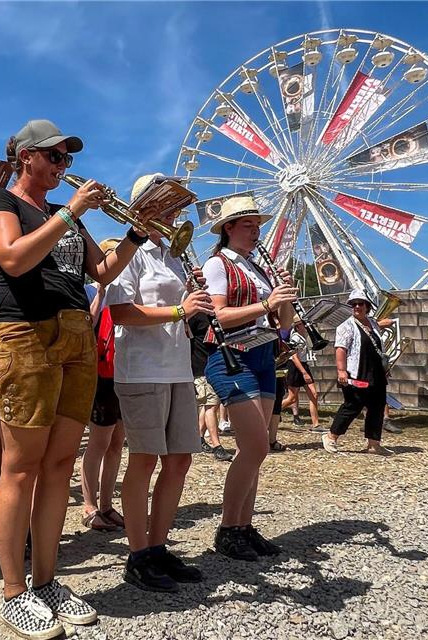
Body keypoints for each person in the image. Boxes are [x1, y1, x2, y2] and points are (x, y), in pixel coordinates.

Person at [0, 119, 150, 639]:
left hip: (75, 334)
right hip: (25, 333)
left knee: (57, 465)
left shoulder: (62, 214)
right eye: (53, 156)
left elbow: (103, 272)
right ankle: (14, 590)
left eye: (66, 158)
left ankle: (47, 581)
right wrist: (71, 212)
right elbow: (12, 258)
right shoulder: (0, 203)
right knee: (21, 467)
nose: (62, 165)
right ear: (25, 156)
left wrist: (137, 233)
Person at [107, 177, 214, 592]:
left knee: (180, 460)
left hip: (177, 367)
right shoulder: (129, 251)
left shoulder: (175, 254)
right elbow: (121, 312)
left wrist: (192, 299)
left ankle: (157, 546)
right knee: (145, 460)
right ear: (145, 208)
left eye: (176, 209)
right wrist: (179, 309)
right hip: (143, 369)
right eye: (167, 208)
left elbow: (180, 309)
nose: (174, 216)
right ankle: (138, 556)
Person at [201, 195, 298, 562]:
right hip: (231, 354)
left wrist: (285, 298)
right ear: (228, 228)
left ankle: (243, 526)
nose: (256, 231)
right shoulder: (217, 264)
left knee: (255, 451)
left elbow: (284, 326)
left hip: (263, 353)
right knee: (256, 446)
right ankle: (228, 528)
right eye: (248, 225)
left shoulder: (259, 267)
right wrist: (267, 303)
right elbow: (219, 316)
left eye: (257, 225)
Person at [79, 239, 127, 532]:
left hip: (126, 371)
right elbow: (87, 323)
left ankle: (107, 504)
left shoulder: (128, 289)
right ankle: (89, 504)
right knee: (99, 441)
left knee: (118, 442)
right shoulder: (89, 290)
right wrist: (100, 291)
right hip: (101, 372)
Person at [322, 289, 393, 456]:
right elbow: (340, 349)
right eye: (353, 304)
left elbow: (378, 347)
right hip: (357, 372)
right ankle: (331, 437)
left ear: (367, 306)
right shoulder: (346, 325)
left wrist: (384, 367)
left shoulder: (373, 323)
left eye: (360, 303)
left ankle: (374, 444)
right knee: (352, 406)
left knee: (377, 407)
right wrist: (341, 371)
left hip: (376, 373)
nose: (357, 306)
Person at [187, 313, 232, 462]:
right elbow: (187, 340)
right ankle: (216, 445)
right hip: (201, 367)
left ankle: (199, 438)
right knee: (211, 406)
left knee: (210, 405)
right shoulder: (196, 316)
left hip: (214, 366)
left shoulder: (215, 315)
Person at [282, 326, 321, 431]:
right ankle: (273, 412)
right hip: (295, 367)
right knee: (292, 398)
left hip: (304, 365)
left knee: (314, 394)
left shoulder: (304, 336)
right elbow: (294, 357)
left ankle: (316, 424)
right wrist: (304, 373)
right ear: (298, 326)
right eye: (303, 324)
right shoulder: (295, 338)